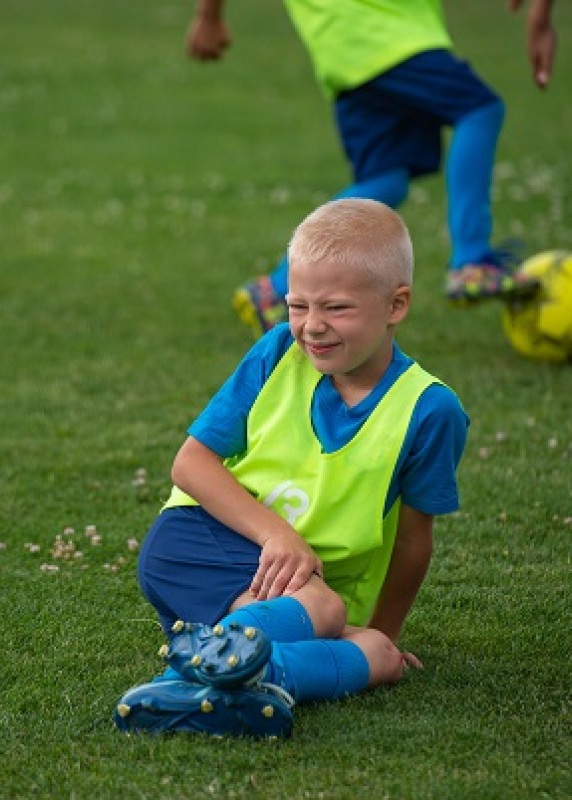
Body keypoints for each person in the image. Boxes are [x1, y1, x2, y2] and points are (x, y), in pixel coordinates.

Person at [114, 200, 469, 738]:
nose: (312, 327)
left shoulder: (430, 411)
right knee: (324, 610)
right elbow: (190, 464)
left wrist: (386, 631)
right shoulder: (277, 353)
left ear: (396, 305)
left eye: (337, 308)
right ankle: (210, 671)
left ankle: (225, 677)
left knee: (377, 656)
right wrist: (279, 535)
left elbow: (414, 540)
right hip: (200, 539)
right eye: (297, 306)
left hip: (289, 591)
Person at [185, 0, 557, 338]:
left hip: (344, 48)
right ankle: (471, 260)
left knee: (386, 179)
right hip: (385, 36)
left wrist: (210, 17)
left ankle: (275, 289)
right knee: (479, 109)